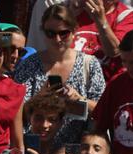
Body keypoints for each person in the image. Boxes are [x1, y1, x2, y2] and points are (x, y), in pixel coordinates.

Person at [13, 5, 105, 146]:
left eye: (63, 33)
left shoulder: (90, 64)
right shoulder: (30, 64)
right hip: (33, 147)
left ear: (74, 31)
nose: (57, 39)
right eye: (50, 33)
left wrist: (80, 99)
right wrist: (39, 98)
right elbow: (15, 112)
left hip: (73, 151)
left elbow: (102, 111)